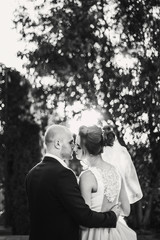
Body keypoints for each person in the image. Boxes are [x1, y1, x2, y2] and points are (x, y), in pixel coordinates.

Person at [25, 124, 120, 240]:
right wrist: (112, 216)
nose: (74, 147)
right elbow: (84, 216)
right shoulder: (63, 174)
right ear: (58, 144)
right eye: (70, 142)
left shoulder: (31, 174)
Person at [75, 125, 137, 240]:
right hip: (116, 233)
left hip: (93, 234)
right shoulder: (117, 172)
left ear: (88, 150)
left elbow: (84, 223)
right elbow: (126, 210)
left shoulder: (87, 176)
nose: (74, 149)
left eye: (78, 146)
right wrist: (112, 211)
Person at [101, 125, 143, 204]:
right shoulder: (121, 150)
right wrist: (132, 189)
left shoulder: (102, 152)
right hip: (118, 185)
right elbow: (128, 171)